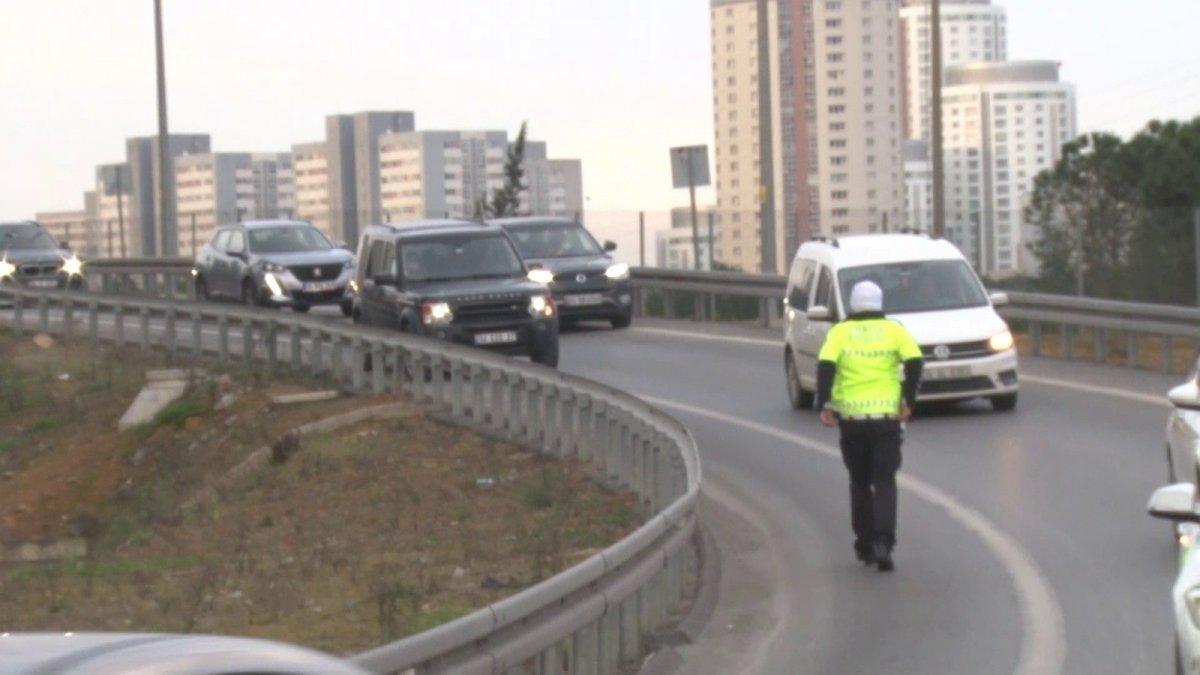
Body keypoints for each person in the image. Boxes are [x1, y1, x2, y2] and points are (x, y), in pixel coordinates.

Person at [815, 281, 924, 572]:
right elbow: (915, 362)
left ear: (852, 304)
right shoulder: (895, 330)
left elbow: (825, 366)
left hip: (852, 420)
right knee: (885, 481)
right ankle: (884, 542)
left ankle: (864, 544)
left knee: (860, 482)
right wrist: (908, 401)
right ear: (879, 303)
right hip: (887, 419)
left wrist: (824, 404)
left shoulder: (839, 332)